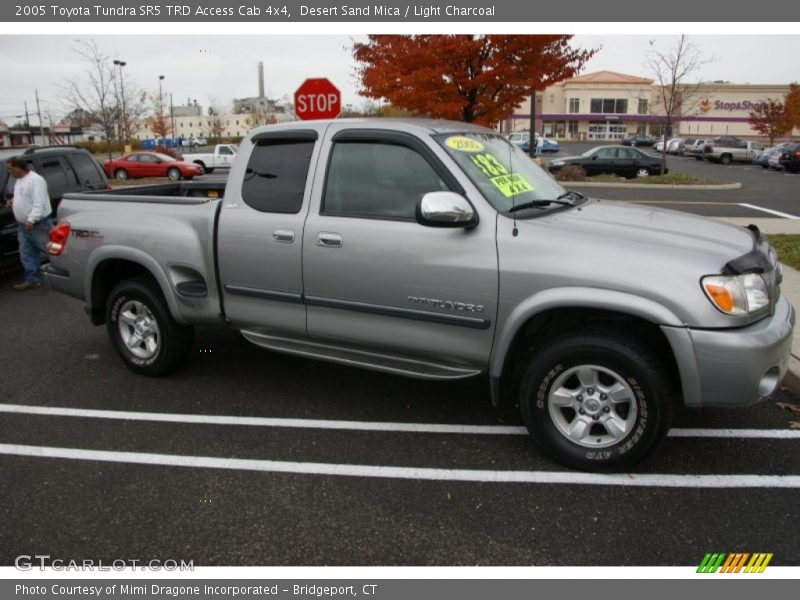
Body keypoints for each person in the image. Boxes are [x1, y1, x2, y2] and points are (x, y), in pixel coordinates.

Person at [5, 157, 54, 290]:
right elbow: (23, 196)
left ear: (19, 167)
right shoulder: (19, 181)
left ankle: (67, 274)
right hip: (24, 225)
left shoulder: (36, 180)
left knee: (52, 250)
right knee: (27, 253)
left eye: (11, 169)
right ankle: (33, 279)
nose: (9, 172)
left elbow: (39, 202)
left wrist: (31, 219)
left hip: (38, 224)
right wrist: (13, 201)